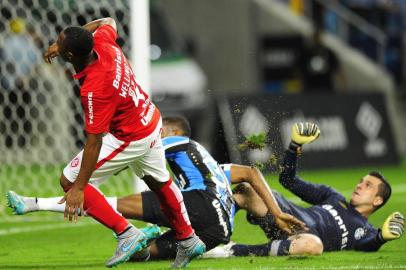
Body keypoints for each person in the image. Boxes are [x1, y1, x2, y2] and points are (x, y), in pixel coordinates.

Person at [7, 116, 307, 261]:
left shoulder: (176, 142)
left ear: (171, 132)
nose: (156, 133)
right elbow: (253, 173)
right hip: (217, 231)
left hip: (198, 205)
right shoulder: (213, 167)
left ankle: (32, 203)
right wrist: (277, 213)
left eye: (161, 130)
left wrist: (86, 176)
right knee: (139, 256)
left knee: (111, 204)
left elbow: (129, 152)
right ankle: (145, 237)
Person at [42, 18, 204, 268]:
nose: (56, 46)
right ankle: (188, 238)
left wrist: (79, 188)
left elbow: (94, 141)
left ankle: (126, 233)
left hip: (130, 135)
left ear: (70, 55)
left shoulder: (95, 89)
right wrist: (59, 43)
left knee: (69, 181)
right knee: (160, 182)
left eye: (60, 45)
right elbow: (108, 21)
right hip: (149, 118)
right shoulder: (103, 42)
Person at [204, 122, 404, 258]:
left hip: (301, 237)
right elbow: (288, 181)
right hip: (284, 216)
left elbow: (366, 245)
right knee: (249, 189)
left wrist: (381, 238)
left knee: (313, 246)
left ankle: (231, 250)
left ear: (377, 201)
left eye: (368, 185)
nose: (360, 184)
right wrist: (294, 148)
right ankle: (207, 232)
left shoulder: (365, 230)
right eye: (361, 181)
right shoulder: (333, 196)